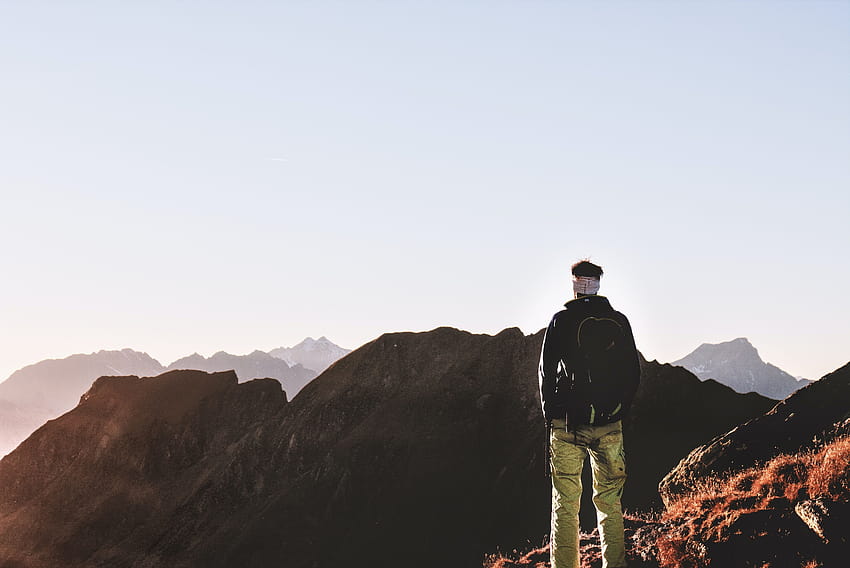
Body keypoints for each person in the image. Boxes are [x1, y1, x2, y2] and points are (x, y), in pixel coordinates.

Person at [538, 260, 641, 568]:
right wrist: (619, 408)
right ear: (598, 284)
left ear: (575, 284)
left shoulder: (561, 320)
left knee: (566, 505)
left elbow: (545, 372)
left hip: (567, 424)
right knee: (610, 502)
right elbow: (633, 372)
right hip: (609, 425)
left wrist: (550, 413)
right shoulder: (619, 321)